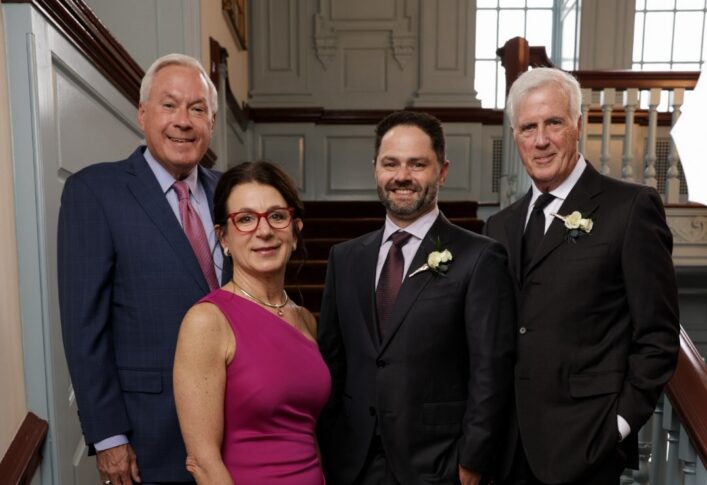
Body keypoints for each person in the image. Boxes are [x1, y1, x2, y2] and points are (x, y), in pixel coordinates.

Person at [484, 67, 680, 485]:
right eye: (527, 127)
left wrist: (618, 426)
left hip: (586, 447)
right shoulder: (499, 226)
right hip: (506, 451)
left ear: (577, 123)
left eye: (553, 123)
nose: (540, 140)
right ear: (515, 135)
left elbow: (658, 337)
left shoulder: (629, 209)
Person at [317, 110, 516, 485]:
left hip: (438, 464)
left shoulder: (479, 257)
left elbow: (491, 369)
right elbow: (333, 362)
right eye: (390, 163)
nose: (402, 177)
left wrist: (472, 460)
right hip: (353, 463)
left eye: (417, 164)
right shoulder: (344, 258)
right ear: (375, 168)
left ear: (441, 171)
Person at [58, 53, 228, 484]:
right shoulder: (95, 192)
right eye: (169, 105)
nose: (183, 121)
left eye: (197, 109)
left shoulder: (233, 191)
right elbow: (84, 327)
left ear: (211, 122)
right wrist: (108, 435)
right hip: (149, 432)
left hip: (236, 420)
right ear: (143, 114)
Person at [173, 160, 331, 484]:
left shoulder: (304, 319)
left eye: (276, 215)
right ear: (224, 237)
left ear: (295, 230)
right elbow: (203, 461)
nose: (264, 230)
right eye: (245, 219)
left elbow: (308, 432)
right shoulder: (206, 321)